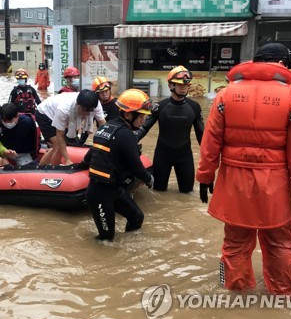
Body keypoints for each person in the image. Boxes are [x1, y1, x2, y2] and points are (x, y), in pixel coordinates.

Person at [196, 43, 291, 296]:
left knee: (235, 244)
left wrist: (205, 177)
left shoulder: (225, 96)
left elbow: (210, 144)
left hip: (233, 185)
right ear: (284, 65)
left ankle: (236, 292)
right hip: (274, 188)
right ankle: (283, 293)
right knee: (280, 243)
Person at [83, 89, 154, 241]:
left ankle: (129, 248)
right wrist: (149, 179)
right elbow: (136, 166)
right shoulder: (126, 135)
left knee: (136, 217)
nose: (143, 121)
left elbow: (90, 155)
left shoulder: (105, 127)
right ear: (128, 114)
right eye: (141, 116)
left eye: (145, 116)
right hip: (99, 193)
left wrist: (81, 165)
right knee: (106, 238)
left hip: (113, 188)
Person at [136, 66, 204, 193]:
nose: (183, 87)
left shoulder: (194, 107)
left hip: (185, 157)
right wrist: (130, 141)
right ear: (170, 86)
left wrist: (209, 158)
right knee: (158, 192)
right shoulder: (159, 107)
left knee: (187, 194)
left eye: (186, 84)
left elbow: (202, 135)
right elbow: (144, 128)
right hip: (162, 156)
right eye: (178, 84)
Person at [35, 90, 106, 165]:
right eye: (85, 111)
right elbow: (60, 136)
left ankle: (41, 167)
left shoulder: (96, 104)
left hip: (59, 111)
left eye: (90, 112)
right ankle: (52, 171)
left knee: (58, 148)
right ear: (78, 106)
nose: (87, 114)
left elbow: (104, 125)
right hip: (45, 113)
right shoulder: (64, 109)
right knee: (58, 147)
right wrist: (67, 160)